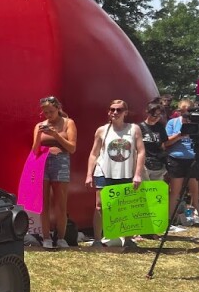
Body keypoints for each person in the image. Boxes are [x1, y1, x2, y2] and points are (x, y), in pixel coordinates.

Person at [85, 99, 145, 245]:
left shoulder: (133, 129)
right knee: (100, 206)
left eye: (119, 110)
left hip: (126, 173)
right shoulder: (102, 130)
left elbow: (141, 151)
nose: (115, 112)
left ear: (125, 112)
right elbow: (94, 153)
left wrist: (137, 174)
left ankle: (129, 239)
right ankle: (97, 239)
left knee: (127, 206)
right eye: (112, 109)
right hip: (104, 172)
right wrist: (89, 174)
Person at [32, 96, 77, 248]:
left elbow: (72, 148)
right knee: (44, 202)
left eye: (51, 111)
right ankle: (46, 237)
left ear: (58, 108)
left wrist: (56, 135)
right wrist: (39, 134)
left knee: (61, 202)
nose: (48, 115)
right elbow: (34, 150)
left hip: (61, 162)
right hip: (42, 162)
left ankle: (61, 237)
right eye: (45, 112)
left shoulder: (68, 123)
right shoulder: (39, 125)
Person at [165, 97, 199, 226]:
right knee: (175, 191)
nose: (185, 114)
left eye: (188, 112)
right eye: (182, 111)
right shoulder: (172, 123)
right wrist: (180, 134)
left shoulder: (197, 123)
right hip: (176, 159)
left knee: (196, 192)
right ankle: (169, 220)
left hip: (193, 159)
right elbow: (166, 142)